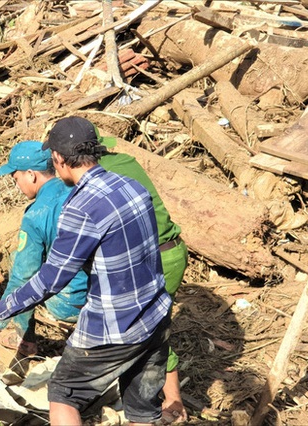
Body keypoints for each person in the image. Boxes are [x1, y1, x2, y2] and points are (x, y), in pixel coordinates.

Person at [0, 116, 173, 426]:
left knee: (63, 394)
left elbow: (53, 277)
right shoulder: (130, 186)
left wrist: (0, 310)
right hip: (155, 317)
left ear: (59, 160)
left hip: (115, 327)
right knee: (141, 410)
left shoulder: (82, 207)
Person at [97, 126, 189, 422]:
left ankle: (150, 410)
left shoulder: (96, 177)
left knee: (144, 334)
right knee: (155, 328)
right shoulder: (124, 161)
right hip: (174, 252)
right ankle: (173, 401)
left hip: (153, 259)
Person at [0, 141, 88, 361]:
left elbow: (23, 277)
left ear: (31, 175)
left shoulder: (36, 214)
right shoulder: (74, 189)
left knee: (20, 265)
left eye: (16, 179)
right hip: (97, 291)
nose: (17, 186)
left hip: (69, 302)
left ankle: (26, 341)